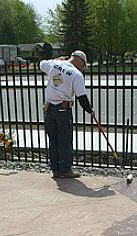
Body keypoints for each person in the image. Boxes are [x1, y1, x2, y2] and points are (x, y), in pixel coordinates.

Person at [40, 50, 95, 179]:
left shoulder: (54, 64)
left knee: (53, 140)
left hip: (49, 109)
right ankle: (65, 170)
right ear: (79, 60)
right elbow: (81, 97)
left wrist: (57, 59)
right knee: (65, 140)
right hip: (63, 110)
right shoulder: (76, 74)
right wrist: (90, 110)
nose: (82, 68)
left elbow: (41, 64)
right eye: (83, 65)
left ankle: (55, 169)